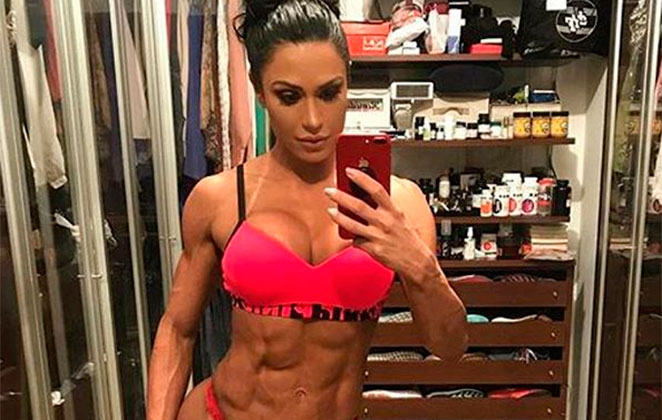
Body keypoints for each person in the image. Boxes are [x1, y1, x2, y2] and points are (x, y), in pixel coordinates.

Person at [147, 1, 467, 419]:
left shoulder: (400, 204)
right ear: (259, 91)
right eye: (289, 96)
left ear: (348, 83)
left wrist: (420, 267)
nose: (313, 120)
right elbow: (177, 329)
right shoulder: (220, 198)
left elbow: (449, 347)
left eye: (329, 93)